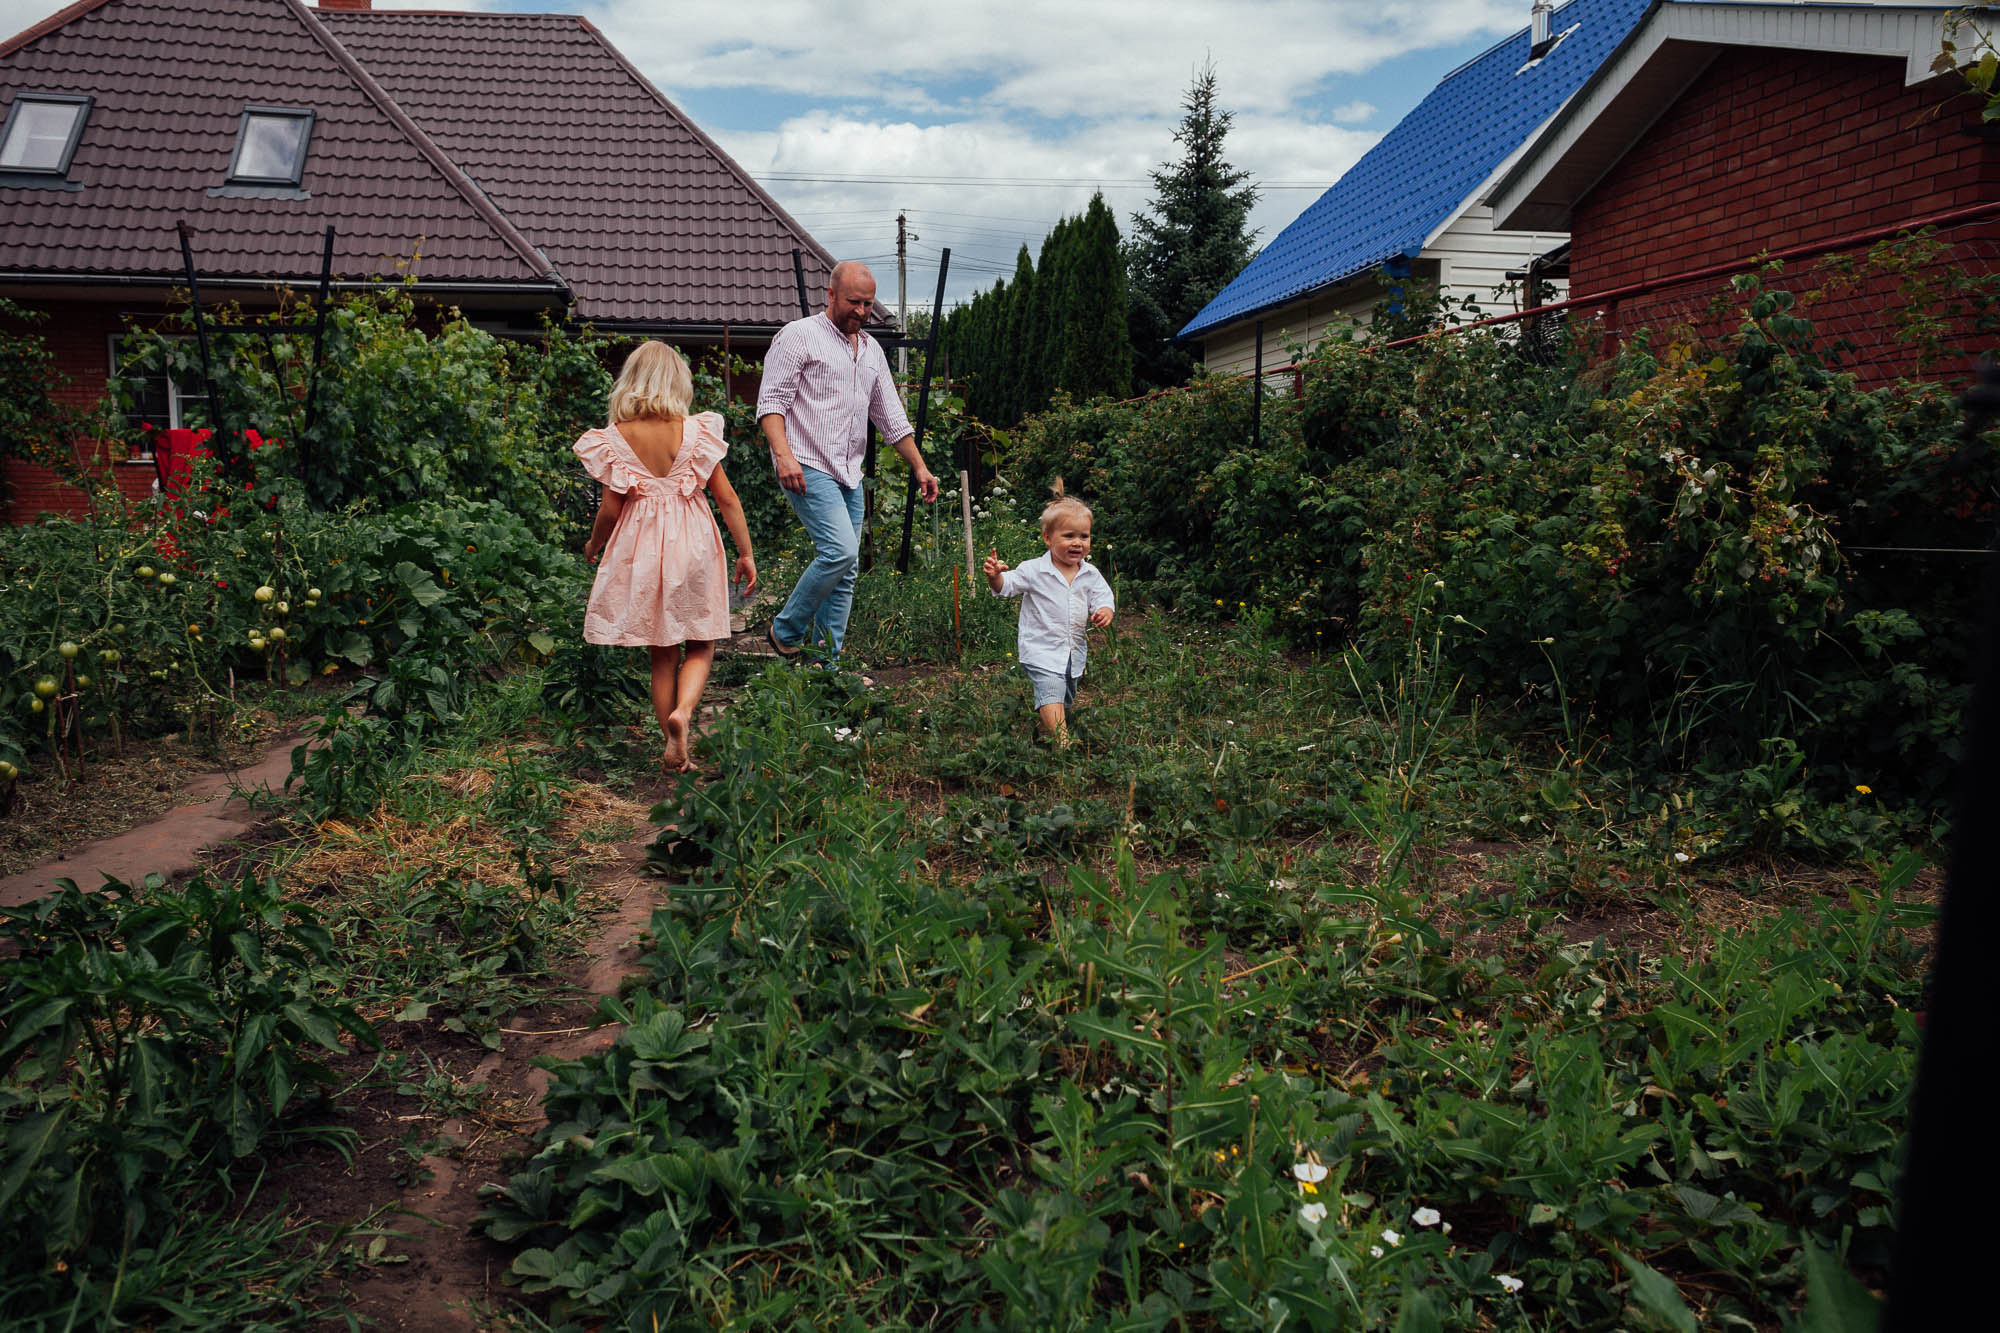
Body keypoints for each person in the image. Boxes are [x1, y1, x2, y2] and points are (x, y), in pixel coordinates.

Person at [577, 341, 756, 772]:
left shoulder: (615, 438)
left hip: (642, 549)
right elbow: (727, 499)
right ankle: (686, 713)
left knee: (662, 653)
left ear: (631, 381)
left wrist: (592, 546)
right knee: (701, 641)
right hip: (693, 542)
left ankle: (673, 747)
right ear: (677, 381)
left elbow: (610, 510)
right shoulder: (695, 432)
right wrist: (746, 553)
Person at [757, 260, 940, 670]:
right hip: (805, 462)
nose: (860, 311)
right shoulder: (798, 337)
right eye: (854, 302)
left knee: (846, 571)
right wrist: (783, 457)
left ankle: (827, 667)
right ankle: (784, 632)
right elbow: (771, 403)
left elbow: (890, 416)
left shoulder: (872, 350)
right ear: (832, 295)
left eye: (868, 304)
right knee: (838, 551)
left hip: (849, 472)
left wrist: (920, 468)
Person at [984, 492, 1115, 745]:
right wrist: (995, 577)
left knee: (1065, 692)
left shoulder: (1090, 574)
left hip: (1073, 651)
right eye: (1069, 536)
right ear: (1048, 538)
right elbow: (1006, 586)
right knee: (1050, 688)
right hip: (1041, 648)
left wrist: (1104, 611)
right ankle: (1063, 743)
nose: (1078, 543)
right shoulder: (1034, 570)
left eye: (1084, 536)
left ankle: (1049, 723)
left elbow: (1104, 598)